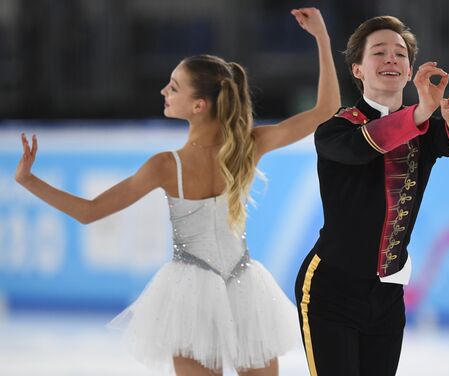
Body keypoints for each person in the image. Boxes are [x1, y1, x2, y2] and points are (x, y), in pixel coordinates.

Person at [14, 8, 340, 376]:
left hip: (196, 294)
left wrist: (29, 180)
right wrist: (322, 39)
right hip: (244, 287)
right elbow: (327, 110)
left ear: (199, 105)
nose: (163, 91)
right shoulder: (248, 145)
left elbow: (90, 212)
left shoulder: (167, 165)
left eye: (174, 87)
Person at [295, 15, 449, 376]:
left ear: (411, 72)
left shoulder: (424, 127)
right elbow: (366, 146)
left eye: (400, 54)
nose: (391, 59)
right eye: (379, 52)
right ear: (358, 70)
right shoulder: (335, 129)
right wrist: (420, 113)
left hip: (388, 295)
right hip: (331, 289)